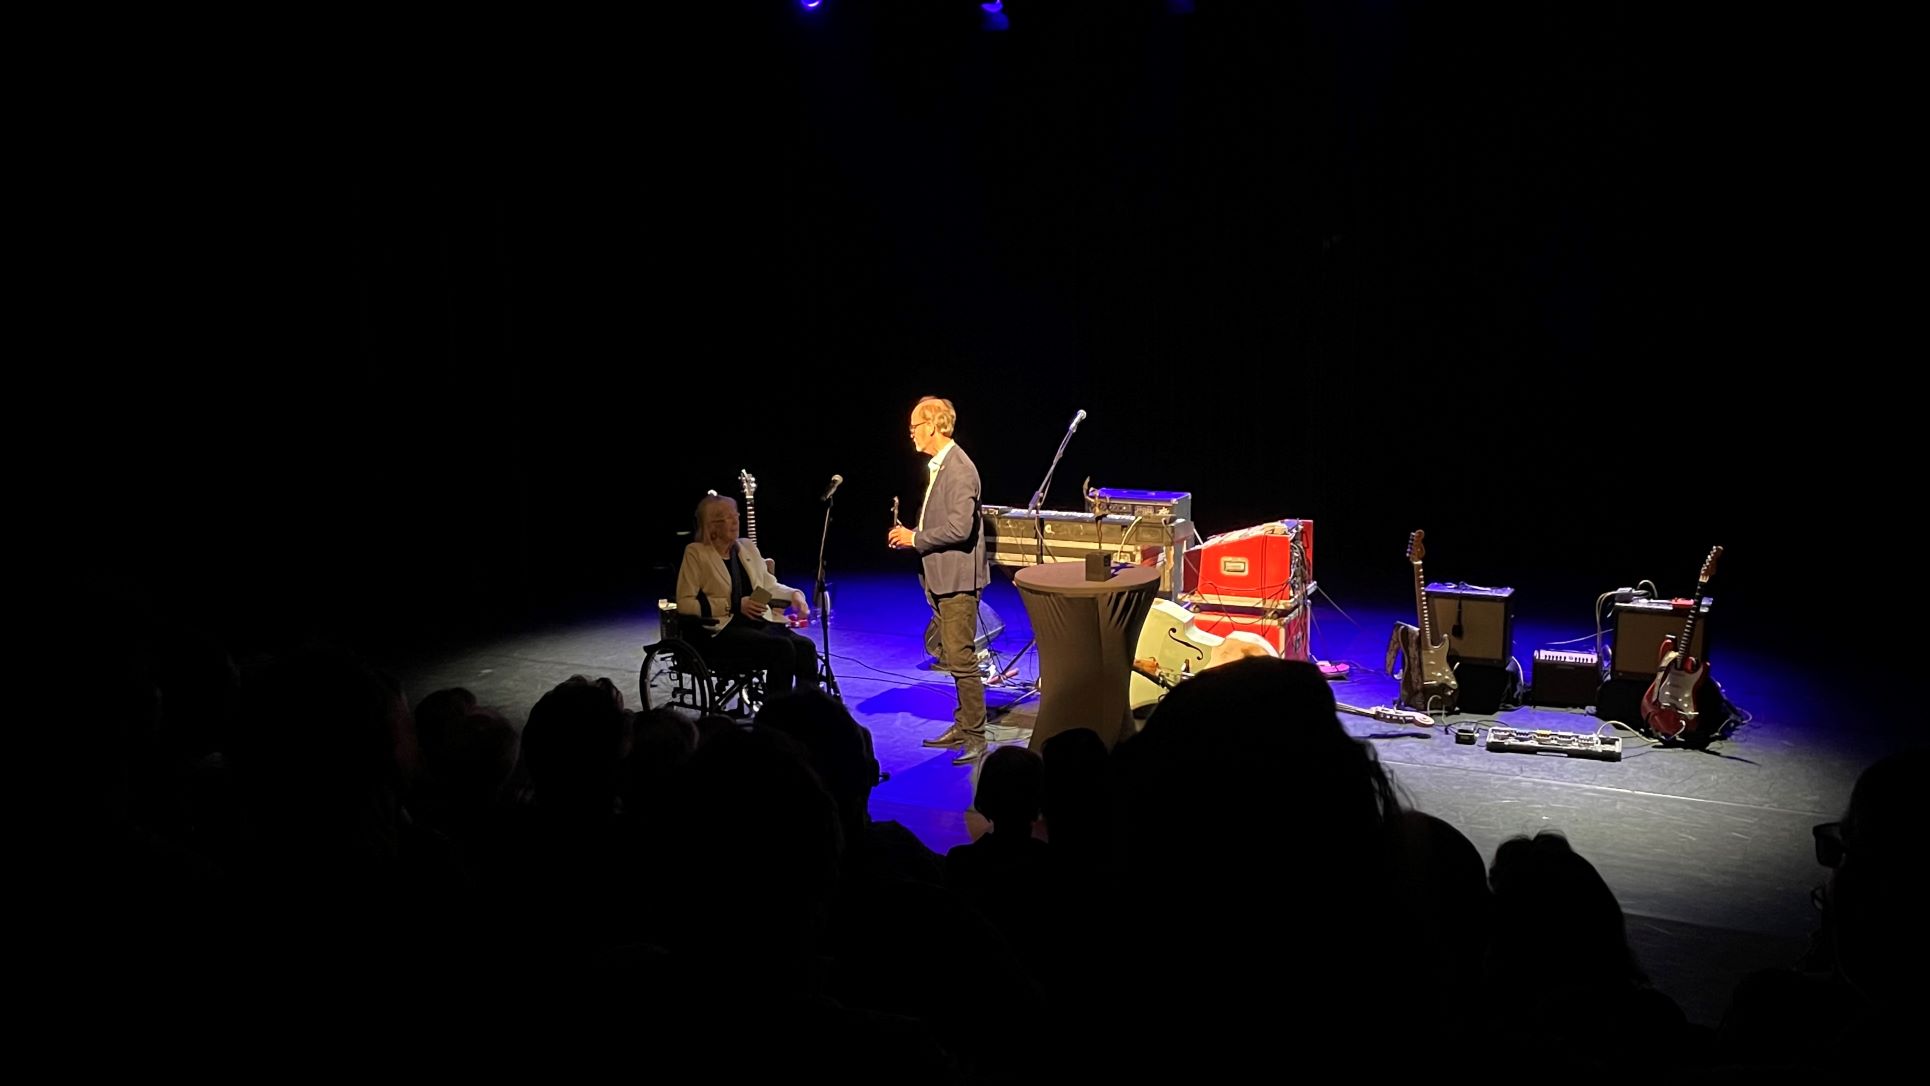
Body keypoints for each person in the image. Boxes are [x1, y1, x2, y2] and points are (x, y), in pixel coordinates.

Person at [887, 396, 989, 765]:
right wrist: (913, 534)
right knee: (951, 655)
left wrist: (915, 538)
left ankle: (976, 736)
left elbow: (960, 529)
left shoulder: (960, 468)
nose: (910, 433)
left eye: (914, 426)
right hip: (941, 575)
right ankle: (963, 725)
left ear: (932, 425)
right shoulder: (940, 466)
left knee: (961, 657)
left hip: (958, 578)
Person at [677, 494, 819, 699]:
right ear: (712, 526)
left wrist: (795, 595)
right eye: (727, 517)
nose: (735, 521)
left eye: (735, 515)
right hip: (722, 630)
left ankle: (810, 708)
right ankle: (776, 717)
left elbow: (767, 587)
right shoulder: (696, 553)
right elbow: (685, 603)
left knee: (806, 647)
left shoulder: (746, 547)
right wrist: (733, 605)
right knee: (782, 648)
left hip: (758, 624)